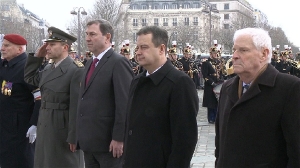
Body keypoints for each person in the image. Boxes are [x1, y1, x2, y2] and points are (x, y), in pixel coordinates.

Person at [215, 28, 300, 167]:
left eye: (243, 50)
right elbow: (220, 144)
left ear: (263, 54)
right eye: (234, 50)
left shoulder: (290, 88)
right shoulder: (227, 87)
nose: (234, 56)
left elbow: (296, 152)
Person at [123, 26, 199, 167]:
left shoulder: (179, 82)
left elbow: (185, 139)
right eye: (137, 48)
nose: (138, 52)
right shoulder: (137, 80)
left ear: (161, 49)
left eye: (144, 47)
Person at [24, 27, 84, 168]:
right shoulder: (48, 68)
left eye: (52, 45)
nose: (47, 48)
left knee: (63, 163)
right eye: (47, 44)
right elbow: (30, 78)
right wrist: (37, 58)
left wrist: (74, 136)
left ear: (65, 47)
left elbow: (77, 107)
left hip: (62, 129)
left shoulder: (75, 70)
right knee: (44, 162)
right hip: (45, 124)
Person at [76, 19, 134, 168]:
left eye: (93, 34)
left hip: (109, 144)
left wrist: (119, 138)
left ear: (107, 37)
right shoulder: (90, 63)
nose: (88, 38)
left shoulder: (118, 62)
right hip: (90, 142)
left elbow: (124, 104)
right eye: (87, 34)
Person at [0, 34, 39, 168]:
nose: (2, 48)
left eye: (7, 45)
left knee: (22, 161)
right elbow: (6, 90)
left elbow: (39, 98)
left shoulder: (27, 67)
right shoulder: (5, 64)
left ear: (19, 49)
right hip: (5, 125)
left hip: (21, 128)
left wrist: (35, 123)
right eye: (2, 45)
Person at [201, 44, 223, 124]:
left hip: (217, 83)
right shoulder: (206, 63)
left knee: (217, 102)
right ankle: (211, 118)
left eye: (216, 53)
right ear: (210, 54)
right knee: (210, 103)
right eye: (214, 53)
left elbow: (220, 73)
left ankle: (217, 117)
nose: (215, 55)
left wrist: (221, 80)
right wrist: (212, 82)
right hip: (210, 85)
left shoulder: (218, 62)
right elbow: (205, 75)